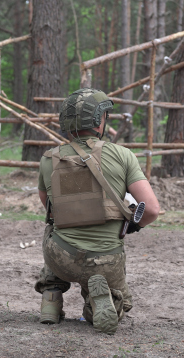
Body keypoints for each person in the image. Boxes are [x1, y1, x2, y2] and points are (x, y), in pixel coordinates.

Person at [34, 88, 160, 335]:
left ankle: (51, 299)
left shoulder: (49, 159)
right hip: (106, 260)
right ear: (99, 120)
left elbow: (48, 207)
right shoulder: (123, 155)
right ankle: (99, 303)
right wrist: (132, 224)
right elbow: (152, 210)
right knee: (122, 302)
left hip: (61, 258)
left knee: (53, 229)